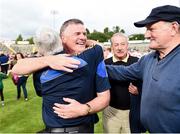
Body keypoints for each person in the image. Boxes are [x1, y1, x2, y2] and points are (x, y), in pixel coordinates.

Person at [12, 19, 110, 133]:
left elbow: (17, 68)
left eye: (84, 33)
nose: (83, 37)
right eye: (77, 34)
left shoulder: (39, 69)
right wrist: (49, 60)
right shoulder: (91, 57)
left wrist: (84, 109)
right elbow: (97, 46)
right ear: (62, 38)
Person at [106, 5, 180, 133]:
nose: (146, 35)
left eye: (151, 29)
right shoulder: (148, 59)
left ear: (173, 28)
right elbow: (122, 72)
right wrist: (93, 64)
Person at [102, 33, 144, 133]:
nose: (119, 48)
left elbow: (148, 85)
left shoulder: (138, 62)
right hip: (110, 112)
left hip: (132, 112)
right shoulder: (105, 64)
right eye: (116, 45)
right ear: (111, 47)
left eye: (122, 44)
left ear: (127, 45)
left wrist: (139, 91)